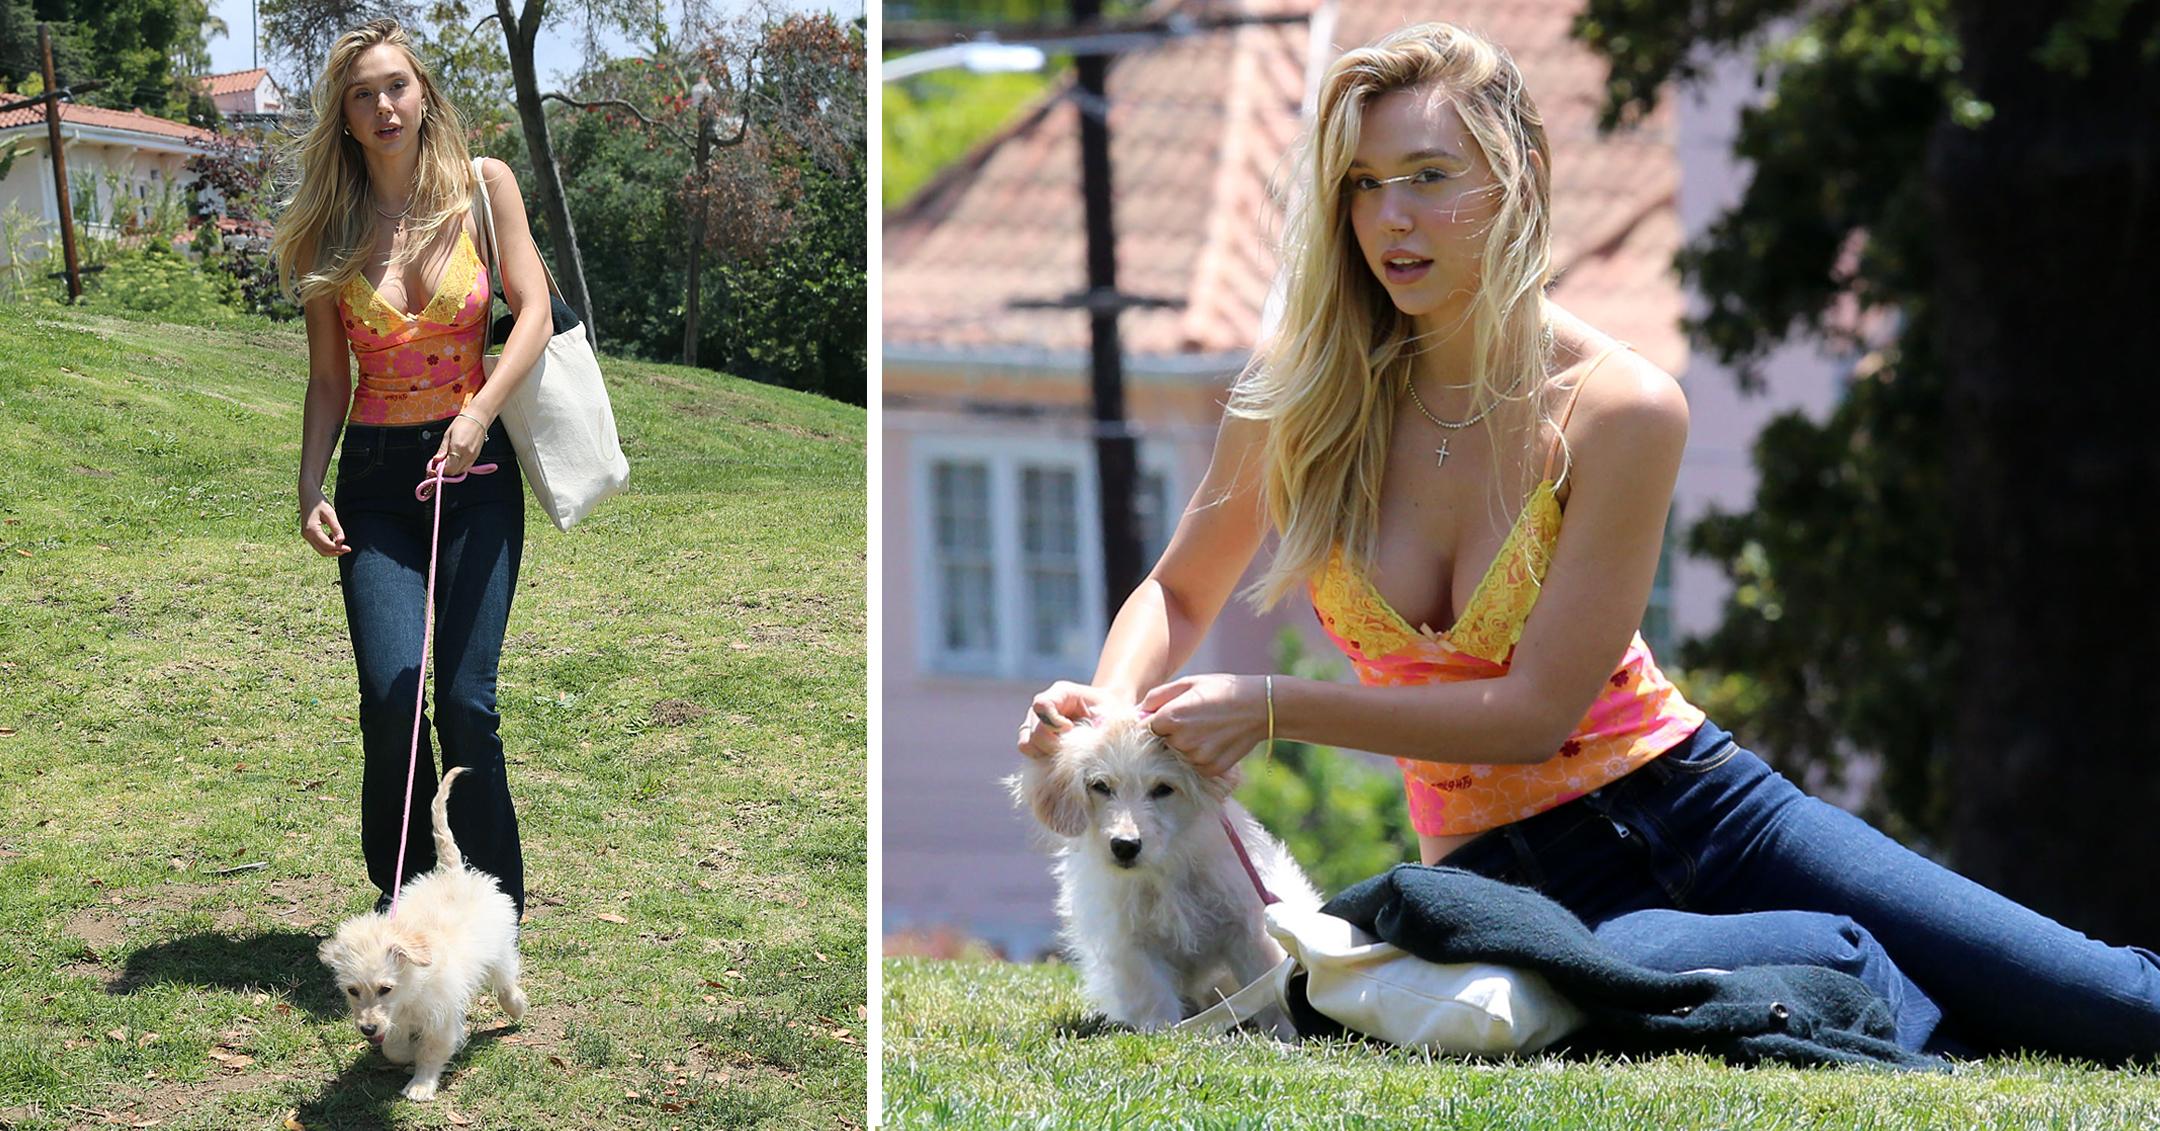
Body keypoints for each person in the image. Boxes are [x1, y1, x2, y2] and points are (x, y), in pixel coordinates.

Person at [1017, 21, 2160, 1061]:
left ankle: (1888, 974)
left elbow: (1535, 713)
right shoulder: (1300, 397)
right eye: (1363, 185)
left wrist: (1271, 707)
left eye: (1428, 176)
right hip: (1511, 880)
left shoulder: (1619, 406)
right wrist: (1103, 717)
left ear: (1515, 179)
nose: (1391, 218)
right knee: (1790, 969)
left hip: (1708, 810)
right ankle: (1862, 973)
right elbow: (1175, 590)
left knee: (2111, 1008)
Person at [273, 19, 553, 919]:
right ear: (344, 117)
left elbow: (536, 311)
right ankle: (405, 902)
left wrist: (476, 416)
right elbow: (328, 378)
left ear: (422, 92)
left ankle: (493, 910)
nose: (383, 105)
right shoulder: (328, 231)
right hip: (377, 482)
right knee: (393, 695)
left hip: (477, 466)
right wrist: (310, 485)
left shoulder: (482, 188)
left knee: (467, 701)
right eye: (363, 94)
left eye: (396, 85)